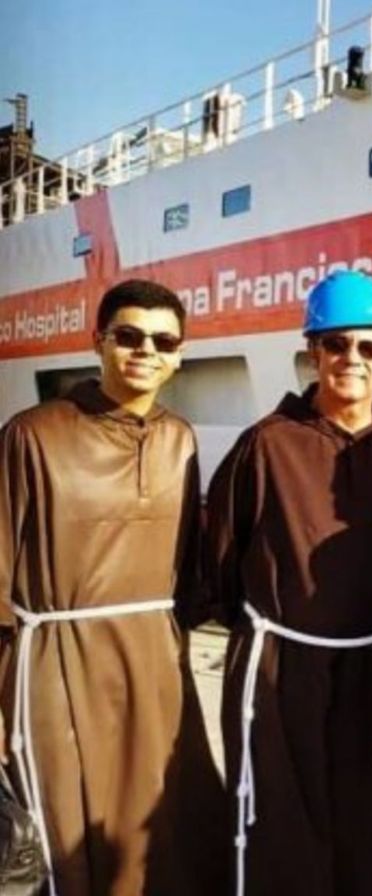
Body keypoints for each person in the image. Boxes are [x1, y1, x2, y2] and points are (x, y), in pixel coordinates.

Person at [205, 271, 372, 896]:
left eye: (368, 347)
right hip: (281, 672)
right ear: (313, 352)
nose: (351, 359)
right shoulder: (265, 445)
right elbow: (221, 562)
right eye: (336, 344)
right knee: (282, 831)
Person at [0, 279, 228, 896]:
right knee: (68, 837)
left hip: (155, 665)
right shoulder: (32, 434)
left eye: (163, 341)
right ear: (97, 341)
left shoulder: (181, 439)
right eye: (128, 336)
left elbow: (190, 572)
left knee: (161, 832)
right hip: (58, 665)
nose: (145, 351)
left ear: (179, 355)